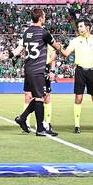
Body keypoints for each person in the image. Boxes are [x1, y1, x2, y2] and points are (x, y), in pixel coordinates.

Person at [12, 7, 67, 136]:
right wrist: (61, 47)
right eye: (44, 16)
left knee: (39, 96)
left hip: (28, 68)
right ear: (41, 18)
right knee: (40, 98)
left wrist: (9, 54)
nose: (45, 18)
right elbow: (55, 46)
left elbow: (18, 49)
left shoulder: (27, 32)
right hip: (38, 70)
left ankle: (23, 118)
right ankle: (40, 129)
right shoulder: (44, 33)